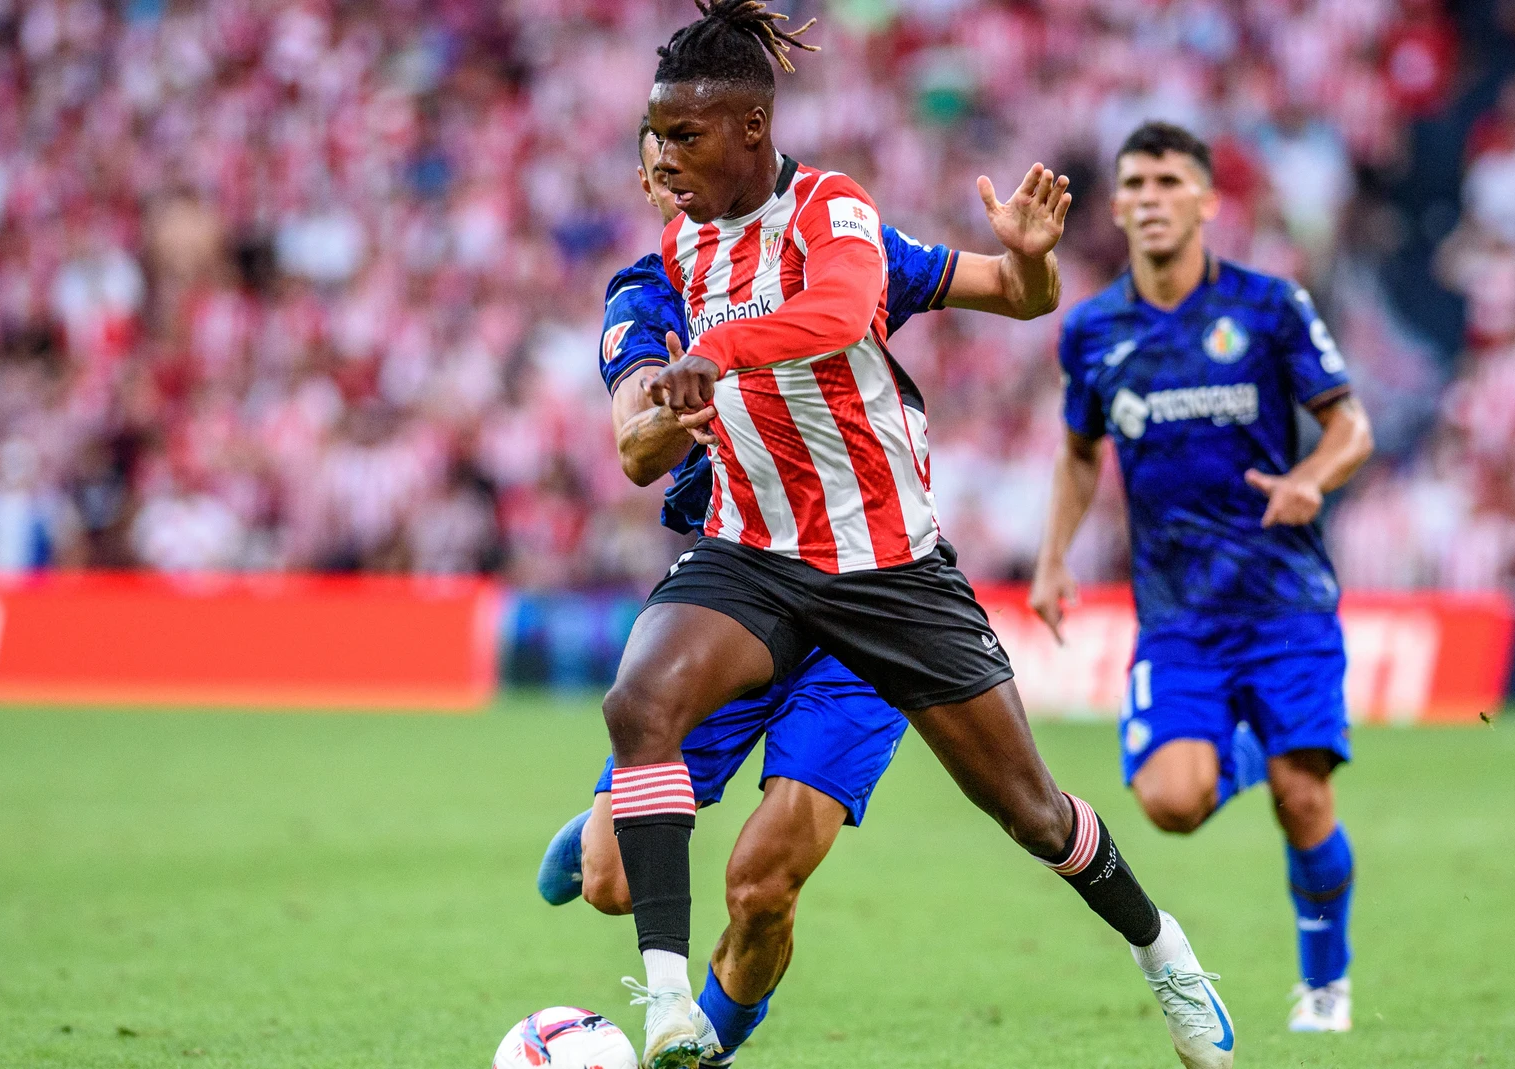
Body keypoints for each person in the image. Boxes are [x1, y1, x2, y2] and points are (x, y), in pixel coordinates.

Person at [610, 5, 1233, 1068]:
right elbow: (641, 441)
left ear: (751, 129)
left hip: (886, 567)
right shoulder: (683, 246)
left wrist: (721, 352)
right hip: (753, 554)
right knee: (639, 703)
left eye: (684, 135)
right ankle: (667, 1002)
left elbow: (842, 310)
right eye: (657, 135)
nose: (661, 157)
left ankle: (1163, 950)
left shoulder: (833, 209)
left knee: (1033, 814)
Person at [535, 112, 1072, 1069]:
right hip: (740, 595)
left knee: (762, 884)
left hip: (864, 605)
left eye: (692, 154)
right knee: (613, 883)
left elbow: (1014, 292)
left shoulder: (838, 246)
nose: (679, 177)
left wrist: (1028, 257)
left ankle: (709, 1045)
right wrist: (677, 406)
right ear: (648, 187)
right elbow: (632, 445)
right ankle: (596, 832)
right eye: (661, 167)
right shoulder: (649, 290)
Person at [1031, 121, 1375, 1034]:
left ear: (1207, 201)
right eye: (1135, 183)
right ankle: (1256, 742)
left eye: (1169, 181)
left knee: (1305, 800)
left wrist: (1311, 478)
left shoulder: (1269, 307)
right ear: (1116, 205)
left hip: (1284, 600)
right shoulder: (1094, 330)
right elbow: (1079, 452)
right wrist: (1054, 556)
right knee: (1171, 803)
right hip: (1178, 615)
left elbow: (1351, 426)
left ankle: (1325, 987)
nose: (1150, 198)